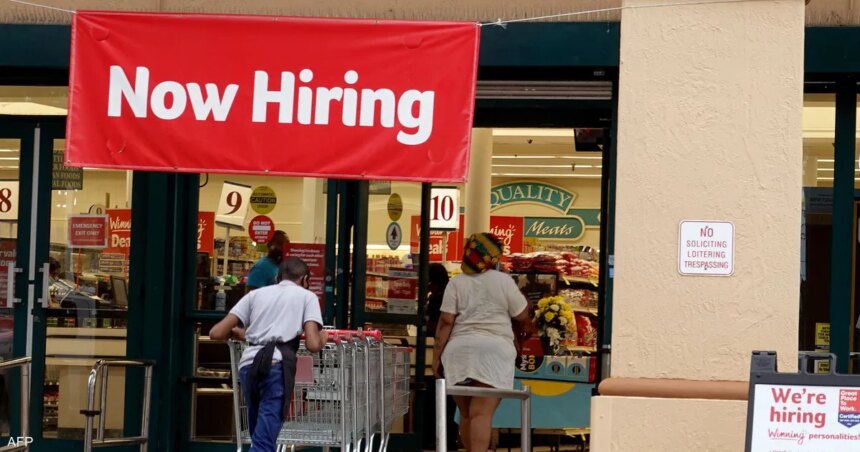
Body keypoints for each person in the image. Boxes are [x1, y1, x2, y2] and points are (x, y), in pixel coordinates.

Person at [210, 257, 327, 452]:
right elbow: (313, 344)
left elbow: (216, 333)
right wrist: (323, 337)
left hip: (249, 365)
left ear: (277, 278)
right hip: (276, 366)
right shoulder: (307, 297)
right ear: (305, 279)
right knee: (264, 441)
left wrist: (243, 334)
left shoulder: (255, 295)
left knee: (260, 436)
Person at [432, 233, 534, 452]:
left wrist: (436, 358)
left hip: (458, 351)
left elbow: (446, 321)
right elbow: (522, 315)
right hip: (494, 352)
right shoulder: (503, 281)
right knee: (481, 413)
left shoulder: (456, 283)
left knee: (466, 413)